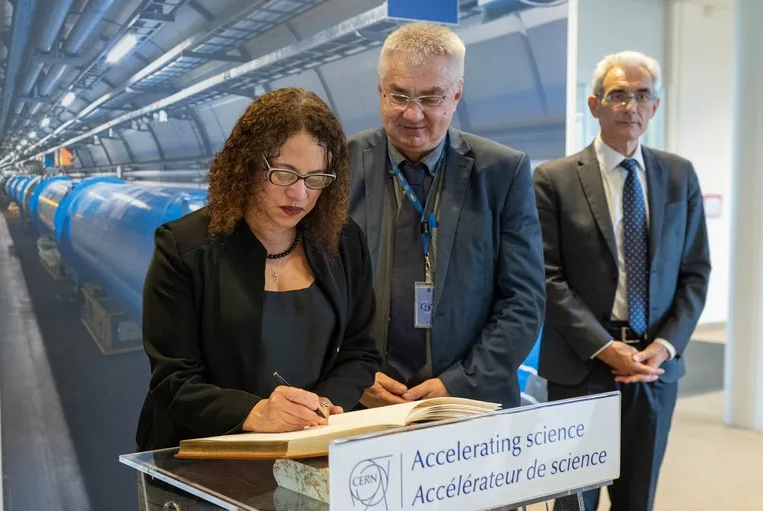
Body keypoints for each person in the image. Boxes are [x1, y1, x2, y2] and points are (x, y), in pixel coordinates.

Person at [136, 87, 382, 451]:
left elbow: (361, 350)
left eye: (316, 179)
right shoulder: (184, 249)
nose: (299, 195)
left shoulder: (343, 241)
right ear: (248, 164)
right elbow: (173, 380)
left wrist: (323, 407)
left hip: (309, 444)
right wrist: (257, 412)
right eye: (284, 174)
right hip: (205, 452)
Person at [533, 51, 711, 511]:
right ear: (594, 105)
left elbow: (695, 272)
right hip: (582, 368)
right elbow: (547, 277)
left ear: (654, 106)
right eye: (617, 95)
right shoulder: (553, 180)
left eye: (642, 96)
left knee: (638, 499)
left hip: (654, 369)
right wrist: (604, 346)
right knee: (574, 502)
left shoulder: (678, 175)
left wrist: (666, 346)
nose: (630, 106)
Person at [348, 22, 545, 409]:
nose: (413, 114)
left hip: (469, 403)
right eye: (399, 95)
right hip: (360, 401)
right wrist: (352, 374)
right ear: (379, 91)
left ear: (457, 94)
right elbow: (313, 294)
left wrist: (460, 382)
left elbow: (523, 300)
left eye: (431, 98)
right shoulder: (339, 165)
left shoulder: (503, 172)